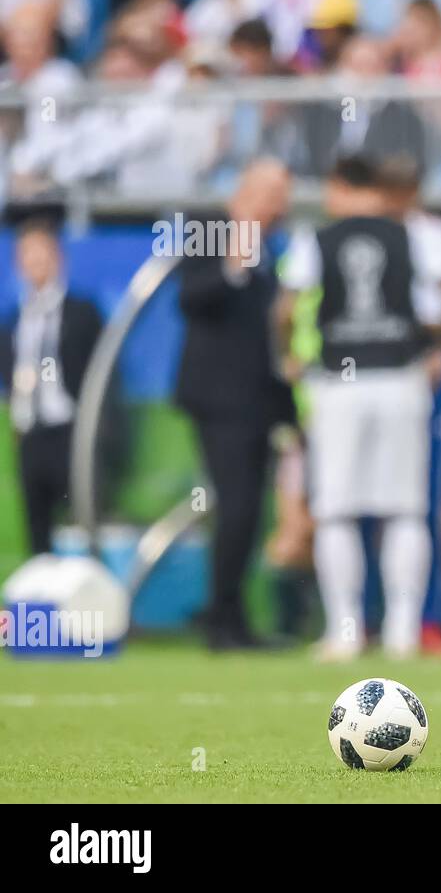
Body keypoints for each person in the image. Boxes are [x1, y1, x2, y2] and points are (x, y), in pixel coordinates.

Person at [277, 155, 441, 661]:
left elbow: (288, 305)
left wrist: (290, 354)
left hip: (340, 383)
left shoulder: (318, 239)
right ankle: (402, 631)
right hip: (401, 378)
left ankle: (345, 631)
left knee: (336, 510)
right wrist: (430, 345)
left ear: (340, 187)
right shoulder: (414, 236)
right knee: (405, 510)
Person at [175, 159, 297, 650]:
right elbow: (190, 299)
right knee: (238, 506)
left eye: (283, 194)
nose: (278, 205)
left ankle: (234, 619)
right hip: (219, 399)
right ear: (244, 191)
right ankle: (220, 620)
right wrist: (233, 263)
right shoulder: (209, 230)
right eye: (270, 193)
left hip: (258, 402)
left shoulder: (274, 248)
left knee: (249, 511)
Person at [1, 220, 102, 555]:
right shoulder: (14, 321)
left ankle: (89, 600)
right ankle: (40, 606)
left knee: (84, 518)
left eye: (41, 253)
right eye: (28, 256)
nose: (36, 263)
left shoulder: (83, 313)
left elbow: (99, 376)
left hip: (72, 431)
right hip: (31, 433)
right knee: (37, 528)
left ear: (58, 257)